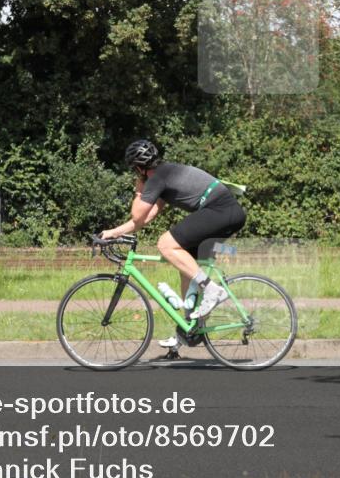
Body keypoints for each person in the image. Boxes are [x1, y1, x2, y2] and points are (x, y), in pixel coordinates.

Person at [100, 139, 246, 349]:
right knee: (185, 266)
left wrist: (139, 191)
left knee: (166, 244)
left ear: (139, 168)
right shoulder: (165, 174)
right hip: (227, 212)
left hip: (220, 211)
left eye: (134, 170)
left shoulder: (156, 178)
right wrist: (112, 233)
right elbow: (143, 220)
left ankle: (212, 290)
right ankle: (189, 331)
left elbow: (136, 212)